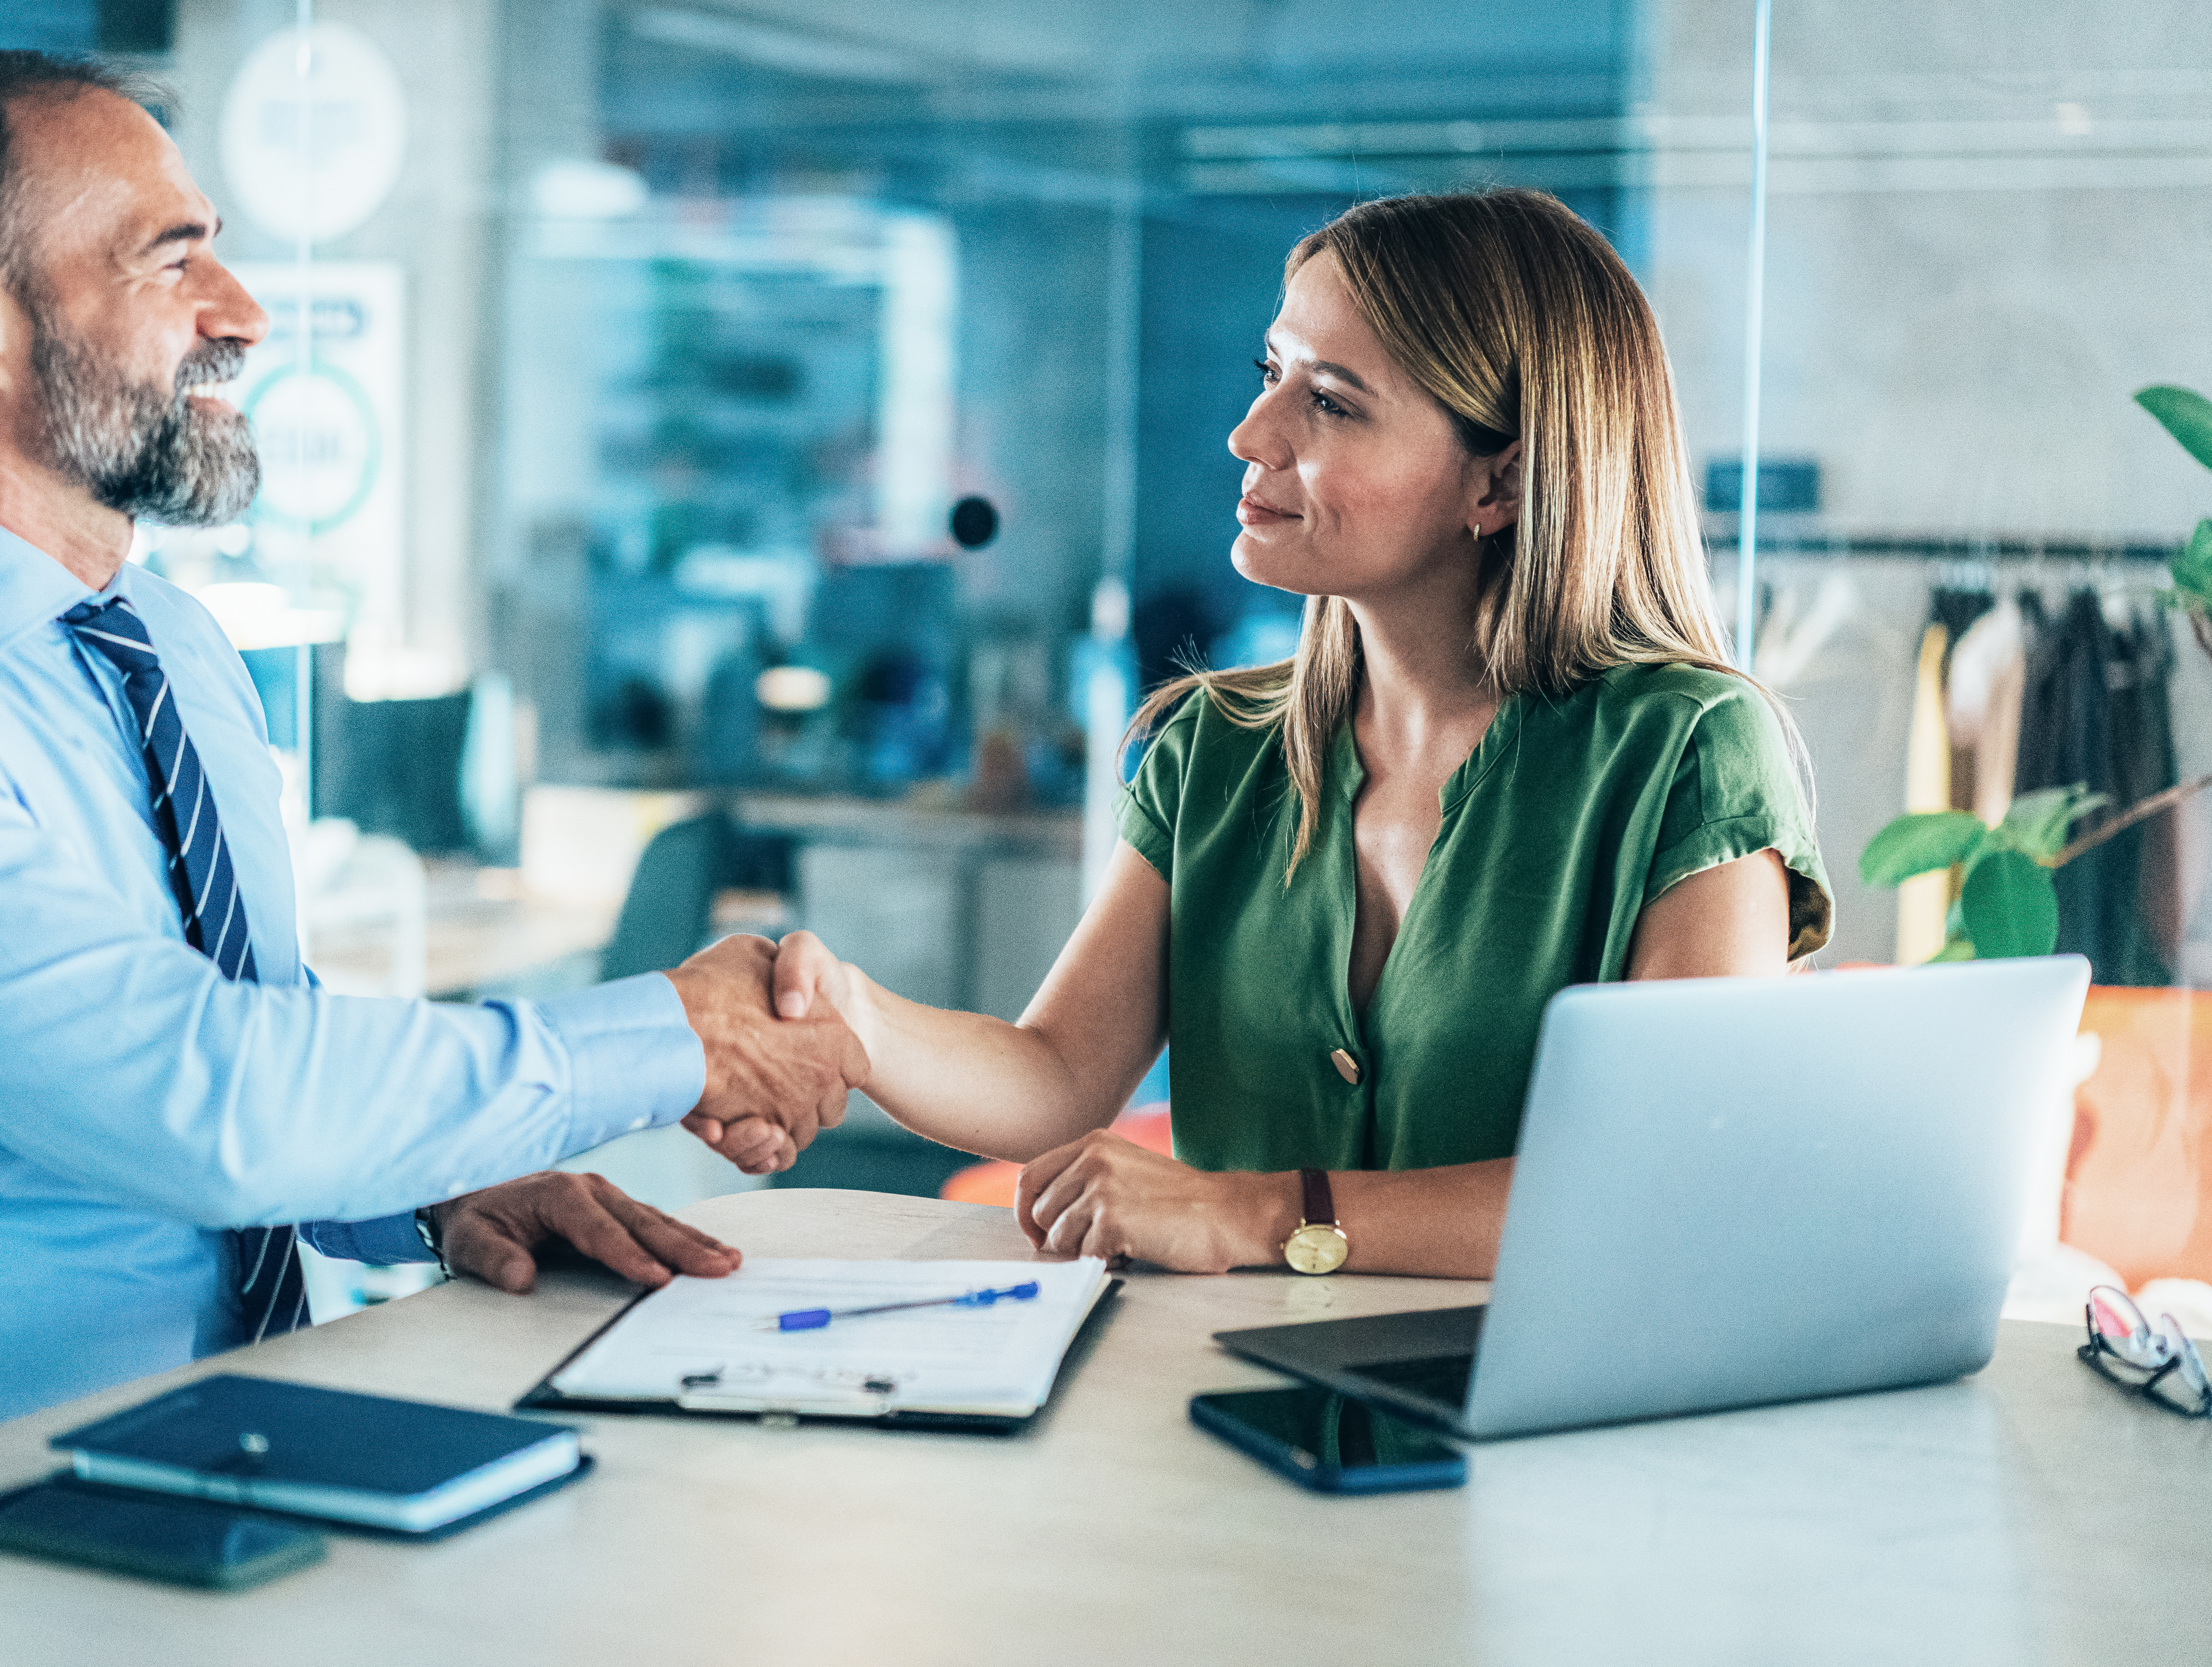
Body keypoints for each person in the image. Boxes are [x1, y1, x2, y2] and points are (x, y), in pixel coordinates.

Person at [0, 47, 853, 1503]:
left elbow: (237, 1022)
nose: (244, 316)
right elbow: (192, 1096)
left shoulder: (161, 641)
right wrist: (667, 1035)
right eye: (172, 261)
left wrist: (434, 1174)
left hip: (232, 1451)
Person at [742, 189, 1834, 1279]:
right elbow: (1057, 1078)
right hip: (1215, 1396)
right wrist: (855, 1021)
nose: (1250, 435)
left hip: (1531, 1424)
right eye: (1274, 376)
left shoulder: (1692, 752)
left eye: (1332, 403)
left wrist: (1257, 1214)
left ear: (1499, 480)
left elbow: (1662, 1186)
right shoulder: (1211, 749)